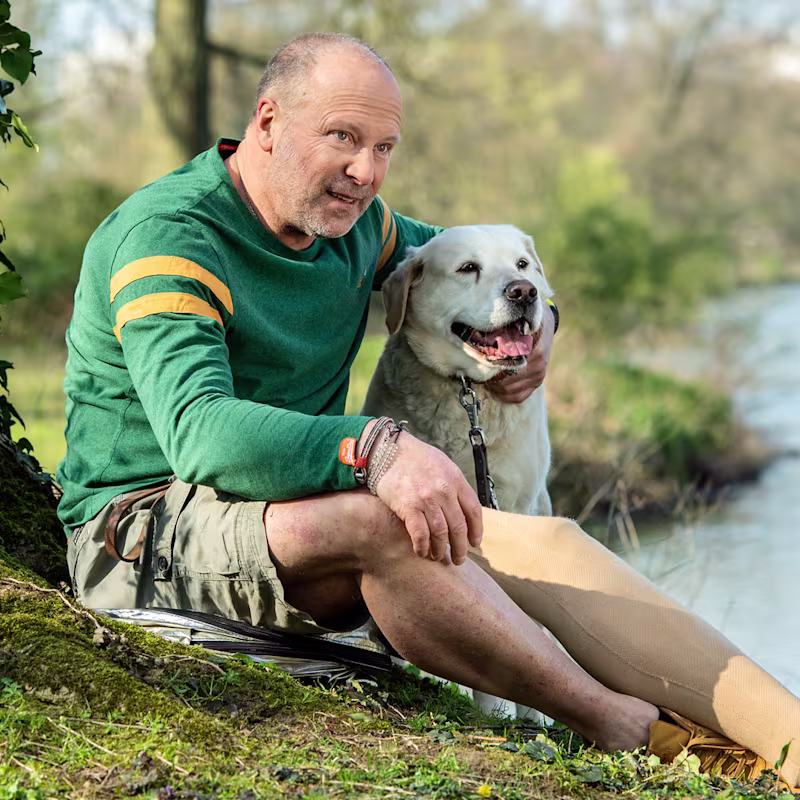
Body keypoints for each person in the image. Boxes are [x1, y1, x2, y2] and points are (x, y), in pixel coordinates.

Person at [58, 32, 800, 787]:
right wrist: (375, 449)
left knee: (542, 540)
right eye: (343, 137)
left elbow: (484, 272)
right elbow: (199, 432)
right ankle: (609, 720)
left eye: (384, 147)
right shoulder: (171, 237)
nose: (366, 171)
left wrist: (539, 329)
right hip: (144, 531)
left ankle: (784, 745)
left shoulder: (354, 224)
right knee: (388, 518)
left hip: (284, 512)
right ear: (269, 122)